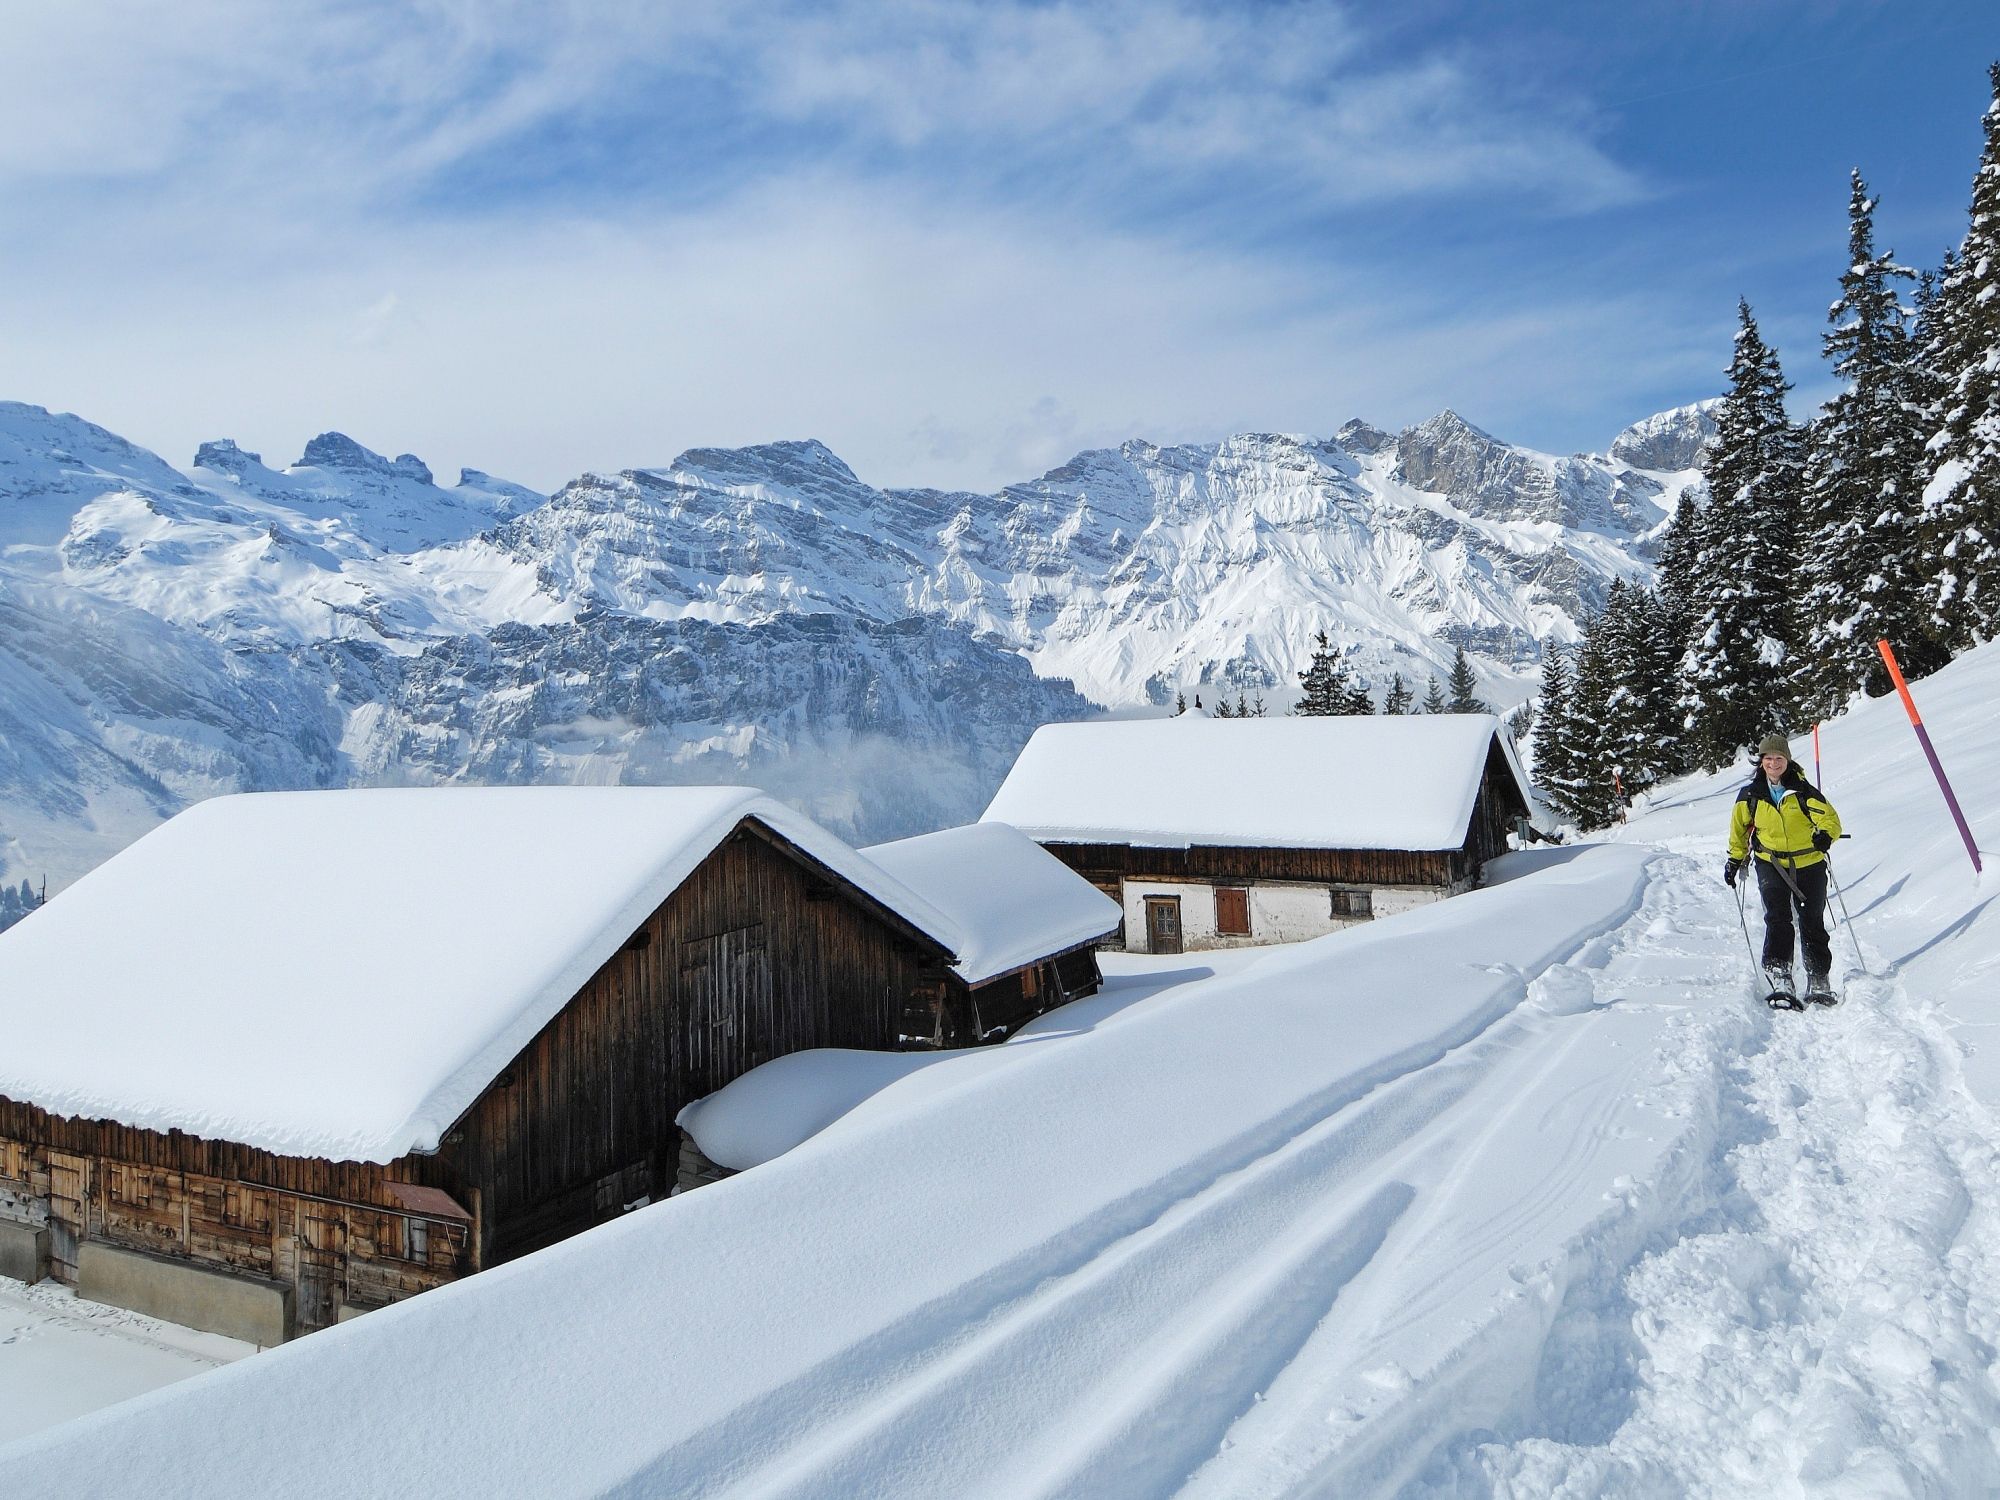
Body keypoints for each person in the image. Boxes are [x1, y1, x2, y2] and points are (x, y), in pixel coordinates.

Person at [1724, 732, 1843, 1007]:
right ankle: (1780, 974)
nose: (1773, 763)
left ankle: (1818, 976)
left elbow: (1831, 820)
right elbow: (1739, 831)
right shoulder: (1750, 796)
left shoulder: (1804, 792)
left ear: (1787, 760)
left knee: (1811, 918)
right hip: (1771, 862)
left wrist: (1825, 836)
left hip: (1809, 862)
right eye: (1768, 758)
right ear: (1761, 761)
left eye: (1779, 758)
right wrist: (1735, 860)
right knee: (1777, 917)